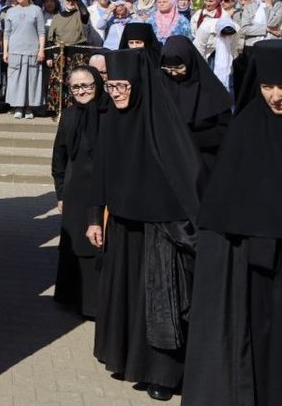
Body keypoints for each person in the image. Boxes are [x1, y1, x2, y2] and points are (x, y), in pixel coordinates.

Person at [86, 50, 202, 402]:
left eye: (122, 86)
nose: (116, 93)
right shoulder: (112, 121)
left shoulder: (161, 124)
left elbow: (187, 178)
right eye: (110, 86)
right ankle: (128, 362)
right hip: (123, 228)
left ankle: (163, 375)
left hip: (159, 232)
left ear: (139, 85)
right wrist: (94, 217)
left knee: (158, 303)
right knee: (127, 300)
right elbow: (100, 174)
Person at [182, 41, 282, 405]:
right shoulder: (246, 127)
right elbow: (225, 201)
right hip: (252, 264)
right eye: (268, 86)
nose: (276, 95)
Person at [51, 66, 107, 318]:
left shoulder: (109, 114)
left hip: (100, 190)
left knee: (95, 245)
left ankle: (94, 305)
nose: (82, 91)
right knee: (73, 244)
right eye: (76, 87)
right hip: (74, 191)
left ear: (97, 84)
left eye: (87, 85)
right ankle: (70, 296)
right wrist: (60, 193)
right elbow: (59, 156)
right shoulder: (70, 115)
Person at [159, 35, 232, 177]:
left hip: (204, 159)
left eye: (179, 68)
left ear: (190, 62)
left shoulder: (210, 89)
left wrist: (191, 140)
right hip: (169, 161)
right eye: (167, 68)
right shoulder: (160, 85)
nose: (173, 73)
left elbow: (225, 129)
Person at [3, 0, 45, 119]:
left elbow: (41, 32)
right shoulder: (10, 11)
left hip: (32, 50)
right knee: (15, 80)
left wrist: (41, 50)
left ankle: (28, 107)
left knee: (31, 80)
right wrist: (5, 51)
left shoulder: (36, 10)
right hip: (15, 50)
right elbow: (6, 34)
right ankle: (18, 107)